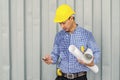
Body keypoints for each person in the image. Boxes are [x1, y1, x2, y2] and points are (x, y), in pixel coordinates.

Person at [42, 4, 101, 80]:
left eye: (64, 23)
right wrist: (50, 59)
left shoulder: (86, 34)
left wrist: (91, 62)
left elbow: (96, 52)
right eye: (60, 23)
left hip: (80, 77)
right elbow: (55, 55)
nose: (62, 26)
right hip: (62, 77)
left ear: (71, 18)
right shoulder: (59, 36)